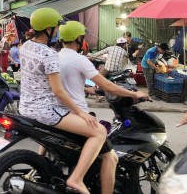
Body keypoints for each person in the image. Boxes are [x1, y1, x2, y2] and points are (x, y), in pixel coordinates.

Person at [19, 8, 106, 194]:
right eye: (57, 26)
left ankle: (44, 165)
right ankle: (76, 179)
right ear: (49, 28)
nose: (58, 30)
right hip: (46, 111)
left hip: (25, 108)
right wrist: (82, 113)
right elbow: (58, 91)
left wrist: (84, 89)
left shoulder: (25, 46)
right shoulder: (49, 54)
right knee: (99, 131)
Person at [58, 21, 149, 194]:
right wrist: (133, 94)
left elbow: (61, 85)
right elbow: (107, 86)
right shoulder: (79, 59)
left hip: (58, 113)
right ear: (79, 38)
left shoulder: (55, 57)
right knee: (111, 156)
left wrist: (87, 89)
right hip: (77, 114)